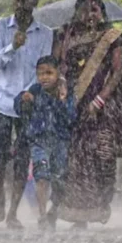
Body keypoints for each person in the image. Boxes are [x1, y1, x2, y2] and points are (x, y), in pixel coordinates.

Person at [53, 0, 122, 228]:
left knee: (102, 156)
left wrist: (99, 100)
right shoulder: (67, 34)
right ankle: (79, 215)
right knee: (77, 160)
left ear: (102, 12)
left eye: (94, 9)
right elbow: (57, 65)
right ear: (76, 12)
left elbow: (117, 71)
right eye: (84, 10)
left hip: (103, 107)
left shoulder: (113, 36)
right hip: (74, 105)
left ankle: (101, 204)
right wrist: (61, 88)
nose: (89, 15)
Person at [0, 0, 53, 229]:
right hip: (2, 102)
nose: (20, 5)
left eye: (25, 0)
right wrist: (12, 46)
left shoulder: (46, 33)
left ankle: (13, 212)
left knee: (22, 157)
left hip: (28, 104)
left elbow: (45, 68)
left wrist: (32, 92)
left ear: (34, 1)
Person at [13, 55, 76, 229]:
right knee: (41, 176)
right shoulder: (34, 90)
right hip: (39, 140)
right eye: (40, 73)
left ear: (58, 73)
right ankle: (42, 215)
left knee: (59, 179)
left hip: (60, 142)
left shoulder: (66, 92)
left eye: (49, 73)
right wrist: (23, 100)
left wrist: (61, 101)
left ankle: (54, 210)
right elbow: (18, 107)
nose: (44, 77)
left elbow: (71, 117)